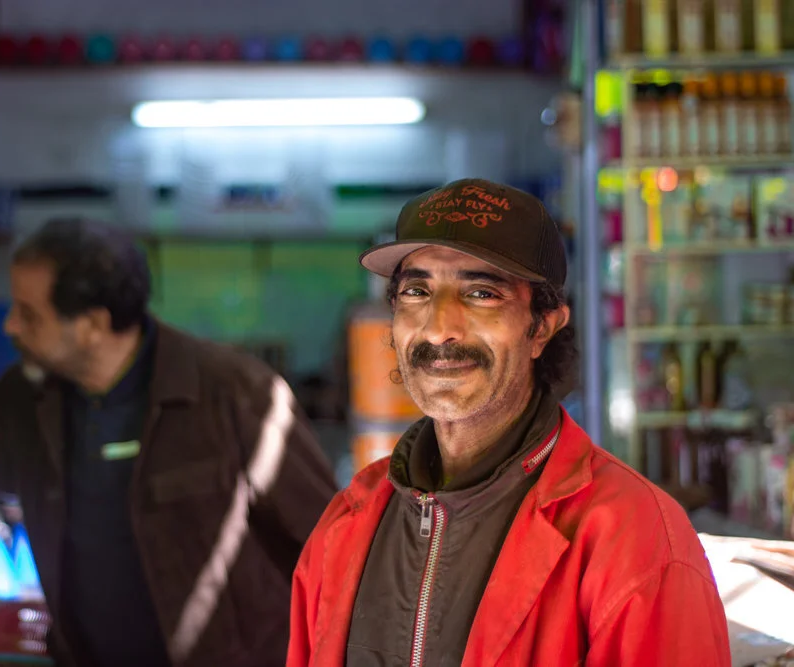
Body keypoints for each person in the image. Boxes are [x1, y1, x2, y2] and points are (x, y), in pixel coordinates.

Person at [0, 218, 337, 667]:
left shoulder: (233, 396)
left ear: (93, 325)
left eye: (29, 314)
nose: (10, 326)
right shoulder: (29, 404)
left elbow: (331, 553)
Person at [287, 179, 730, 666]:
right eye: (416, 291)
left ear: (541, 327)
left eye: (481, 293)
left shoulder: (635, 539)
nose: (438, 328)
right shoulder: (345, 526)